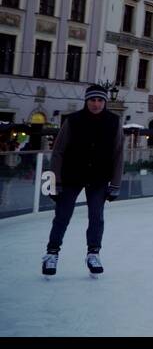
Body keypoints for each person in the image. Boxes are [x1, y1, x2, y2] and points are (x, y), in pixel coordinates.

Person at [42, 84, 124, 277]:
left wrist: (116, 184)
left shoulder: (114, 121)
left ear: (105, 102)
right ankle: (51, 254)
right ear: (86, 101)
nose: (96, 104)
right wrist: (55, 182)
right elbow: (58, 152)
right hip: (72, 176)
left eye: (100, 100)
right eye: (92, 100)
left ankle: (93, 253)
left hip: (99, 178)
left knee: (96, 217)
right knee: (62, 216)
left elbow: (118, 154)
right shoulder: (73, 120)